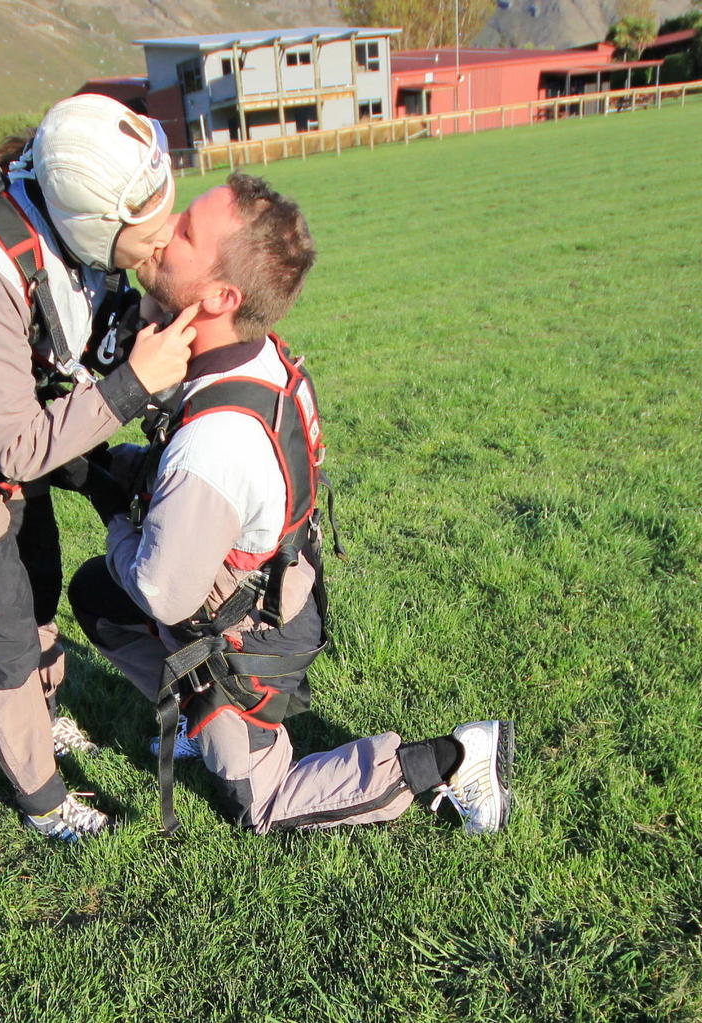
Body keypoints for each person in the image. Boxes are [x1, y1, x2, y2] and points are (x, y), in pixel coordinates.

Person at [67, 173, 514, 836]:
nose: (160, 232)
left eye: (184, 232)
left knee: (262, 806)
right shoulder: (251, 357)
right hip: (281, 576)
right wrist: (107, 464)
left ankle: (452, 758)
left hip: (257, 633)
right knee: (99, 596)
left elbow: (162, 592)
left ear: (222, 295)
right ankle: (201, 713)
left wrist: (107, 503)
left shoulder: (213, 444)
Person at [0, 94, 196, 842]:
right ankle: (46, 803)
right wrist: (131, 387)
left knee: (38, 584)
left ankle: (47, 719)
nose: (159, 254)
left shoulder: (72, 228)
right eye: (147, 242)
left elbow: (80, 335)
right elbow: (17, 447)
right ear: (94, 226)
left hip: (14, 435)